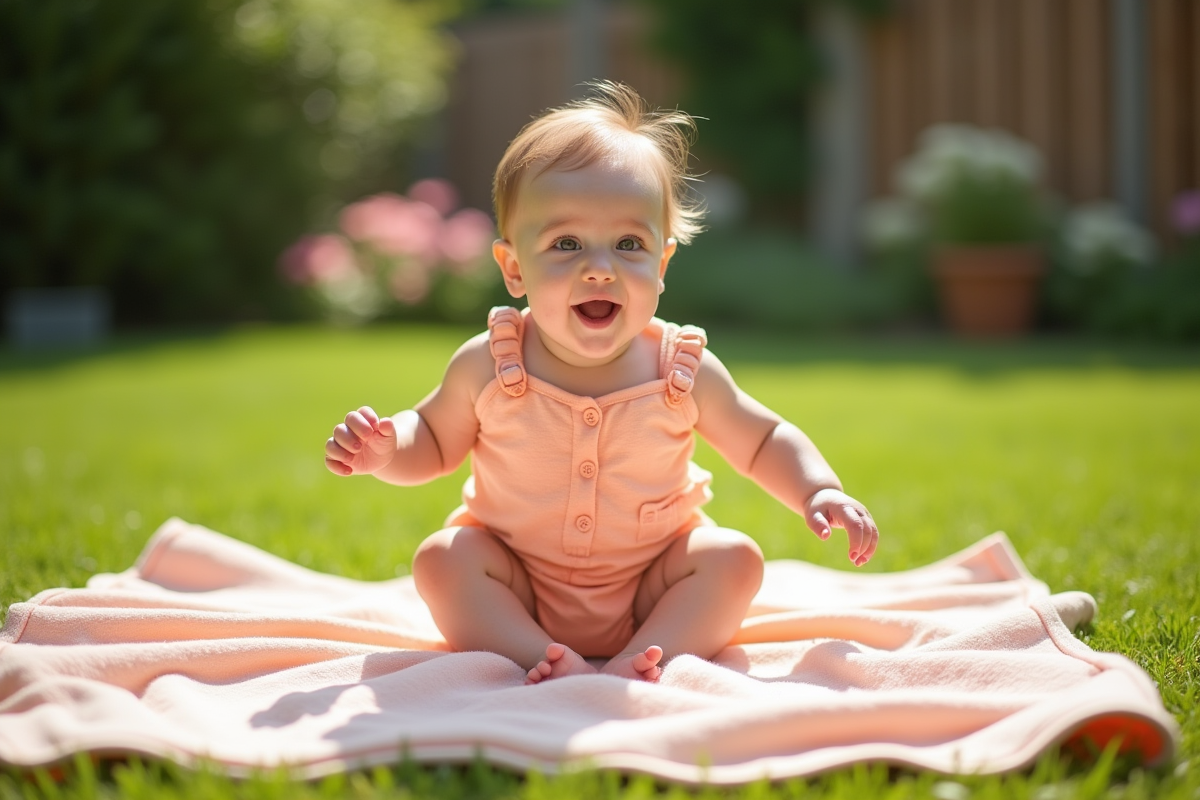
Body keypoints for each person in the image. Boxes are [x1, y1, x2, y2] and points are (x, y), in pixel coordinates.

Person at [324, 82, 879, 685]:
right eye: (566, 243)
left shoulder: (680, 368)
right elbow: (431, 439)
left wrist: (817, 489)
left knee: (735, 560)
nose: (599, 266)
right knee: (442, 560)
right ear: (514, 268)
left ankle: (646, 655)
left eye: (628, 244)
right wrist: (386, 448)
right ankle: (535, 653)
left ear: (661, 266)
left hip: (652, 585)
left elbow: (763, 438)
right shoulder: (488, 362)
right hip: (517, 583)